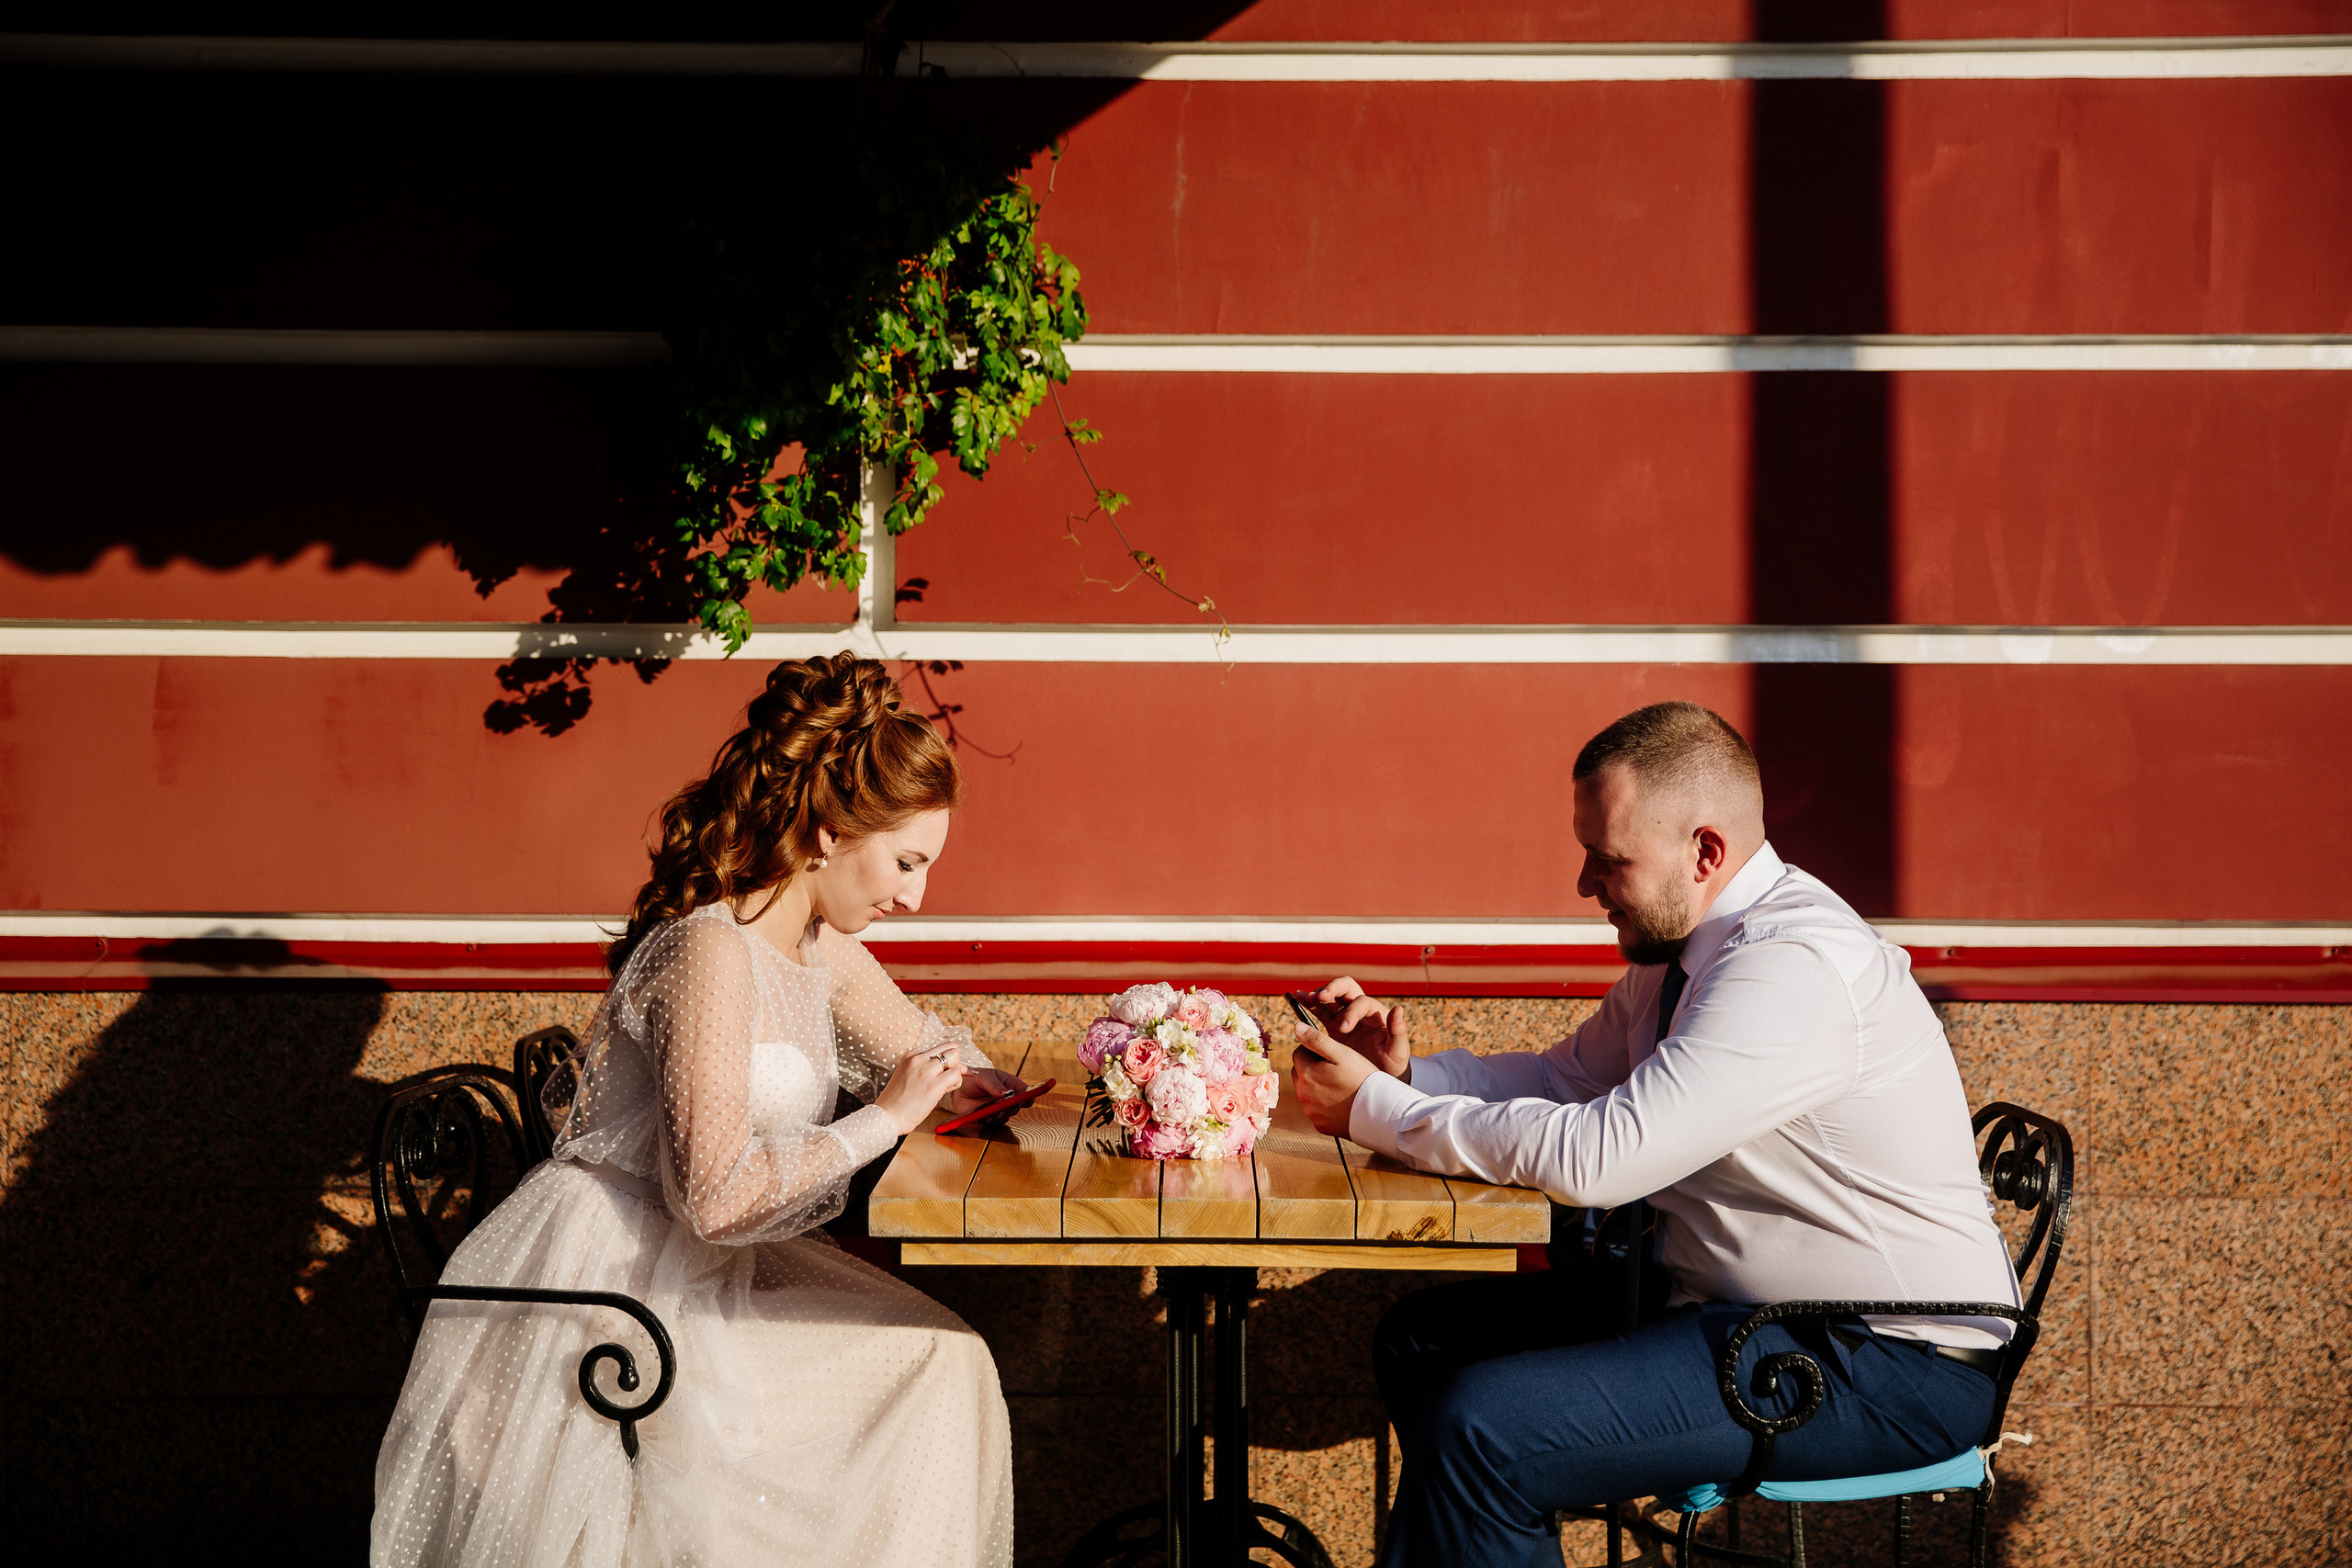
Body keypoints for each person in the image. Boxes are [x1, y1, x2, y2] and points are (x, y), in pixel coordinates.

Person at [1290, 701, 2020, 1568]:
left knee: (1482, 1431)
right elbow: (1566, 1078)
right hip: (1746, 1312)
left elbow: (1601, 1155)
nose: (1583, 883)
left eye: (1607, 860)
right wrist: (1406, 1078)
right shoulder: (1684, 952)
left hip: (1883, 1359)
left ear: (1704, 852)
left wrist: (1375, 1112)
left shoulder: (1790, 967)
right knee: (1423, 1339)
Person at [374, 654, 1021, 1568]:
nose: (915, 896)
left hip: (708, 1272)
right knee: (936, 1368)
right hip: (621, 1299)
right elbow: (714, 1199)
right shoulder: (708, 956)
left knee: (945, 1361)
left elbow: (918, 1046)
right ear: (830, 832)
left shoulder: (814, 944)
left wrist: (1007, 1088)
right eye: (907, 861)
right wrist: (885, 1116)